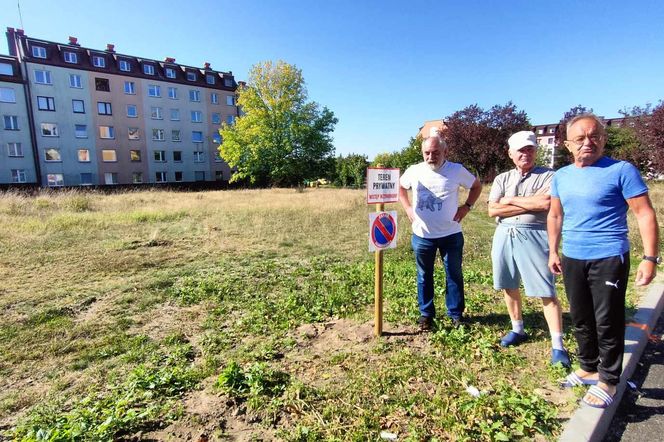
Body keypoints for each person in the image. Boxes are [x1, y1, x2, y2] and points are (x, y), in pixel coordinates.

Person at [548, 113, 659, 408]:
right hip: (573, 255)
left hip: (609, 256)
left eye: (594, 136)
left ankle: (608, 381)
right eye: (580, 138)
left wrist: (650, 258)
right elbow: (555, 215)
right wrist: (552, 251)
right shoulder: (561, 176)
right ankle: (588, 366)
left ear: (604, 139)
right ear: (568, 144)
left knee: (607, 320)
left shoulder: (621, 170)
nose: (588, 142)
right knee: (581, 317)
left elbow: (645, 213)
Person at [488, 131, 570, 367]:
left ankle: (558, 345)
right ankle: (518, 329)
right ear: (511, 153)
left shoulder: (549, 176)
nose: (526, 153)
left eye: (530, 149)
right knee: (508, 284)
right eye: (521, 150)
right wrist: (526, 204)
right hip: (504, 235)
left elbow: (545, 204)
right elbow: (493, 210)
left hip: (536, 235)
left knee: (545, 288)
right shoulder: (502, 179)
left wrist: (509, 201)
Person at [399, 135, 482, 331]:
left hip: (451, 235)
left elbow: (476, 186)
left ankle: (456, 315)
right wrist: (408, 208)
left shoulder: (456, 170)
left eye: (435, 153)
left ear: (445, 152)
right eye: (427, 153)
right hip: (422, 236)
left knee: (454, 274)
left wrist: (467, 207)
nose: (431, 157)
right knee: (423, 275)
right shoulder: (414, 171)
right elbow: (401, 187)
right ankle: (426, 315)